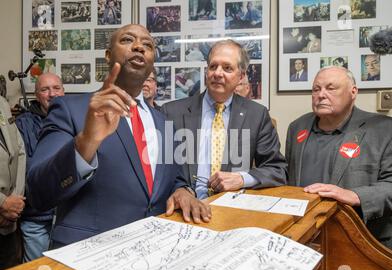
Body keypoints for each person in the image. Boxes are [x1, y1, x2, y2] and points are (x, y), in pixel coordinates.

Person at [27, 24, 211, 247]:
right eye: (127, 40)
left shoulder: (165, 123)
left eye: (147, 45)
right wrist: (86, 142)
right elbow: (38, 191)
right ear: (108, 55)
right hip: (88, 255)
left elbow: (175, 179)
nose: (138, 47)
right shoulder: (71, 109)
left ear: (152, 61)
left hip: (155, 249)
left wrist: (183, 191)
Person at [162, 40, 287, 200]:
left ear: (240, 76)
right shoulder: (172, 112)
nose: (218, 73)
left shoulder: (257, 115)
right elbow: (159, 169)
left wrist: (241, 178)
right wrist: (179, 189)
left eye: (227, 68)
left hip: (231, 208)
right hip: (184, 208)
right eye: (213, 66)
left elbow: (277, 169)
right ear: (206, 71)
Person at [285, 66, 392, 249]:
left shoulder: (383, 130)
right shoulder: (297, 127)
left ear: (353, 92)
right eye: (316, 89)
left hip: (362, 243)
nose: (321, 94)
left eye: (331, 88)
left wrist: (355, 195)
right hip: (305, 239)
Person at [15, 73, 64, 261]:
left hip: (67, 216)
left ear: (63, 91)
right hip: (36, 216)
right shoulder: (23, 124)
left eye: (56, 88)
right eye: (45, 89)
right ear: (37, 95)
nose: (52, 94)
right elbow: (23, 169)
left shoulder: (77, 119)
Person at [0, 96, 26, 270]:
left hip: (7, 223)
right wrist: (2, 203)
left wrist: (14, 203)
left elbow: (20, 151)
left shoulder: (2, 103)